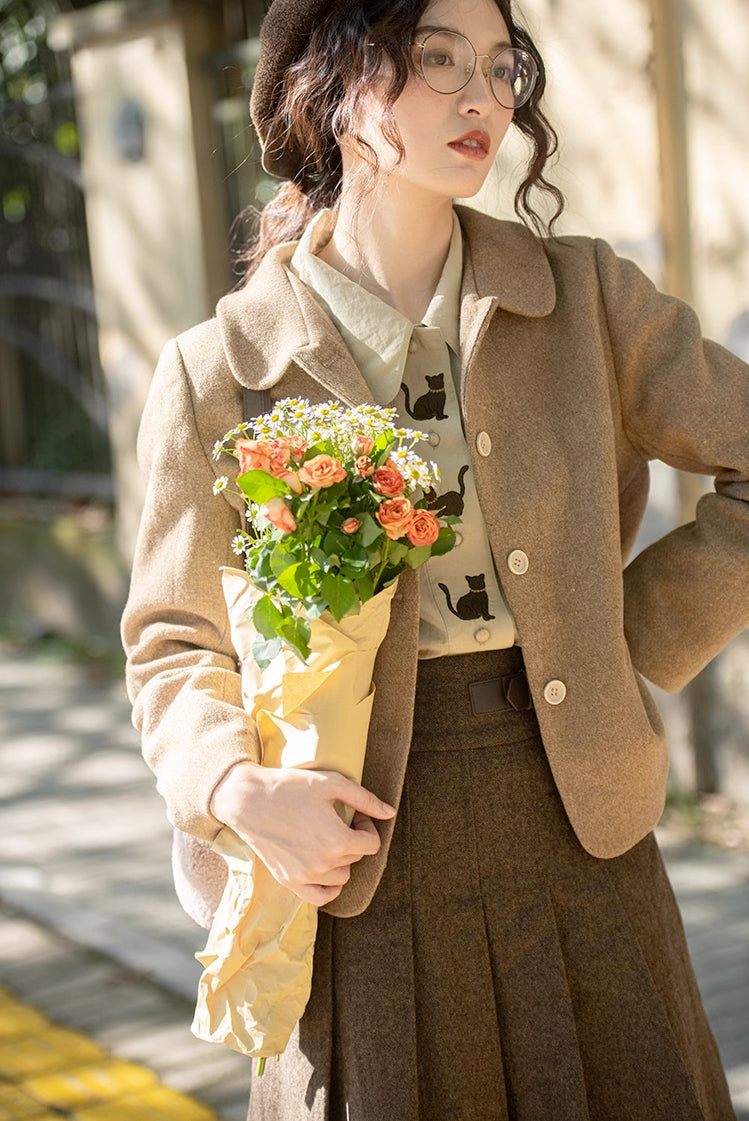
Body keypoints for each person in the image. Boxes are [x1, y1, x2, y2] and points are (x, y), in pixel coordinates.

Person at [121, 0, 749, 1117]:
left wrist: (628, 636)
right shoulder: (219, 370)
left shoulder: (584, 298)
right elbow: (172, 641)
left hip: (581, 827)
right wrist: (235, 785)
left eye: (502, 67)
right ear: (337, 86)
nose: (483, 98)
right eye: (436, 59)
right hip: (354, 854)